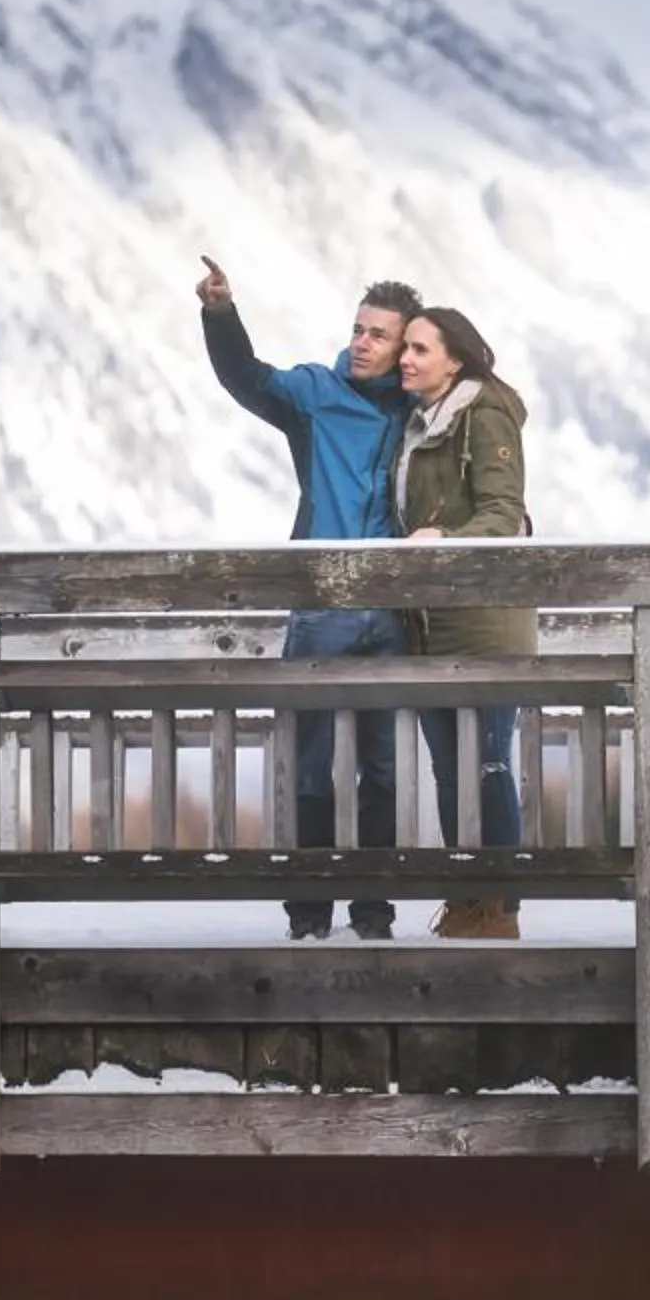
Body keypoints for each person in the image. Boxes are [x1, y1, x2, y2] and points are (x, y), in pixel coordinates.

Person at [198, 255, 421, 940]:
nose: (362, 342)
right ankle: (308, 912)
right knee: (311, 769)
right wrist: (219, 314)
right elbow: (247, 378)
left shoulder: (419, 412)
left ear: (404, 348)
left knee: (381, 770)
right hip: (320, 607)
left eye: (379, 335)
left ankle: (374, 911)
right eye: (359, 328)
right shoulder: (316, 393)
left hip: (388, 611)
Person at [389, 305, 533, 941]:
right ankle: (465, 899)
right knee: (449, 767)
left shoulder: (484, 412)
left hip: (485, 622)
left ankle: (498, 906)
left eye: (420, 349)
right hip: (431, 622)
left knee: (488, 764)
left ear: (457, 359)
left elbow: (505, 513)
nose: (406, 359)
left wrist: (442, 540)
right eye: (406, 348)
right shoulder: (419, 423)